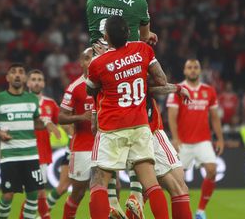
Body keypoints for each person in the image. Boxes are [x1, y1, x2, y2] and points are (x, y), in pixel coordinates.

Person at [86, 15, 169, 219]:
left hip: (111, 127)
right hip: (140, 125)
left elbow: (91, 90)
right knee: (151, 183)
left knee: (98, 182)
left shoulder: (98, 63)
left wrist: (107, 59)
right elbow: (161, 79)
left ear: (106, 36)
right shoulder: (143, 50)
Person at [0, 63, 46, 219]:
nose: (17, 75)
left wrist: (46, 123)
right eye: (13, 72)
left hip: (31, 154)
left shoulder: (32, 99)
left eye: (21, 72)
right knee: (8, 195)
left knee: (33, 195)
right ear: (8, 77)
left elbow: (37, 122)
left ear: (25, 78)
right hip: (10, 155)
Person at [167, 59, 224, 219]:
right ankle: (181, 211)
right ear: (185, 71)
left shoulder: (209, 91)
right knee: (177, 180)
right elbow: (172, 116)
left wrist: (219, 138)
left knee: (212, 170)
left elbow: (214, 117)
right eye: (189, 67)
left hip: (203, 140)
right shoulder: (178, 90)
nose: (192, 70)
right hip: (183, 142)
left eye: (195, 67)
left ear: (200, 71)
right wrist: (175, 138)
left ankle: (200, 211)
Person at [57, 48, 96, 218]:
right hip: (82, 148)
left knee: (113, 190)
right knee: (78, 193)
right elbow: (60, 117)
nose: (91, 61)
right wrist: (81, 117)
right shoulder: (75, 87)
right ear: (81, 63)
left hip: (104, 146)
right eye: (87, 58)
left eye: (94, 58)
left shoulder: (107, 85)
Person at [19, 69, 62, 219]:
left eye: (40, 79)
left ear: (43, 83)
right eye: (34, 79)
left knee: (38, 191)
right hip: (26, 151)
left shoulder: (50, 104)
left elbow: (61, 121)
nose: (37, 82)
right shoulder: (21, 101)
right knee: (36, 191)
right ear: (28, 82)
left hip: (43, 153)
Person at [148, 84, 193, 219]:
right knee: (179, 187)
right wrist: (178, 89)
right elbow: (156, 85)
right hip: (151, 131)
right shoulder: (138, 66)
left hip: (120, 131)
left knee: (139, 190)